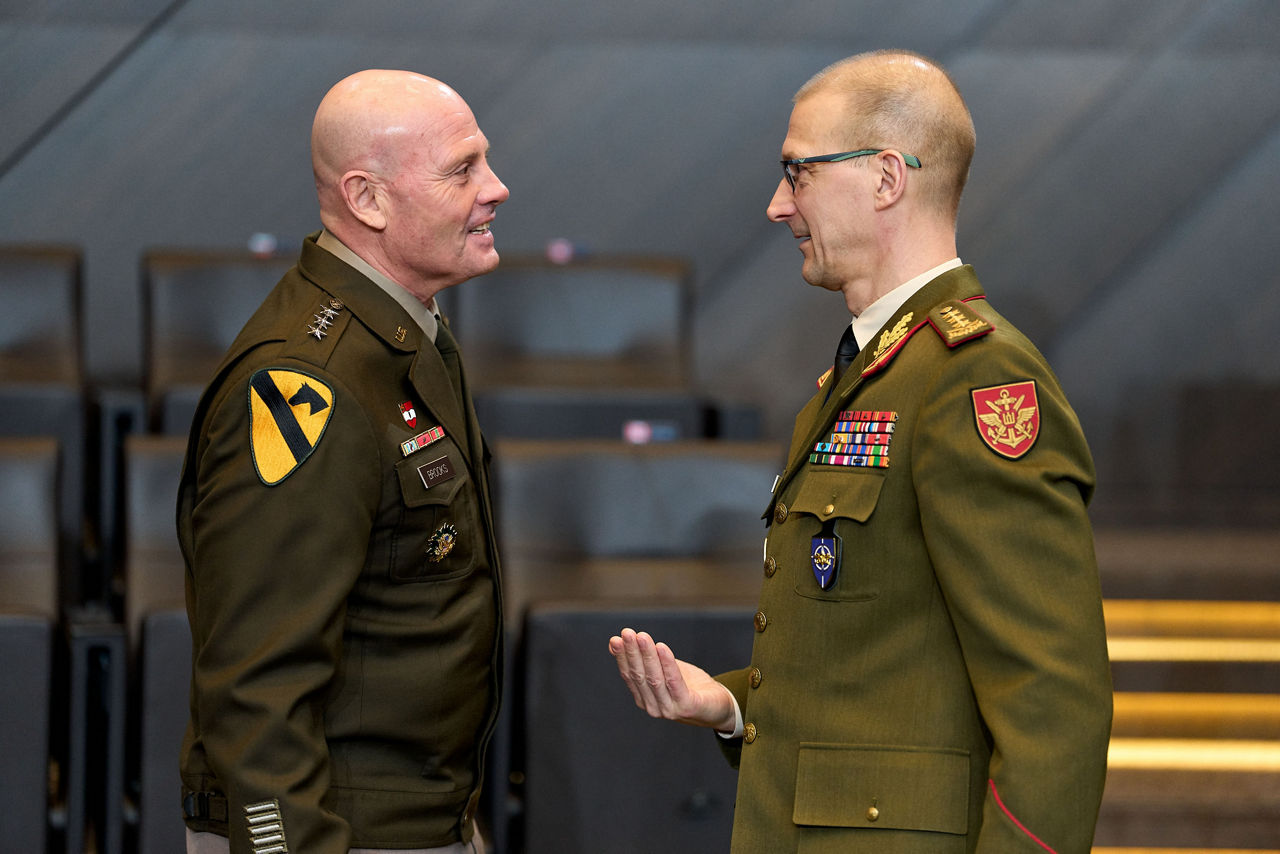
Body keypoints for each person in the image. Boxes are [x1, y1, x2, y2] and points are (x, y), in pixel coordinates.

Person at [609, 50, 1112, 853]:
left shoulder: (975, 377)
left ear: (885, 179)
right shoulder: (875, 371)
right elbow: (876, 660)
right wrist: (735, 707)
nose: (778, 206)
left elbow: (1051, 697)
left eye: (797, 173)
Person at [177, 69, 509, 854]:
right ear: (367, 200)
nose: (496, 188)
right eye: (462, 169)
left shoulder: (400, 332)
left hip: (411, 821)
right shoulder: (309, 384)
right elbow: (257, 682)